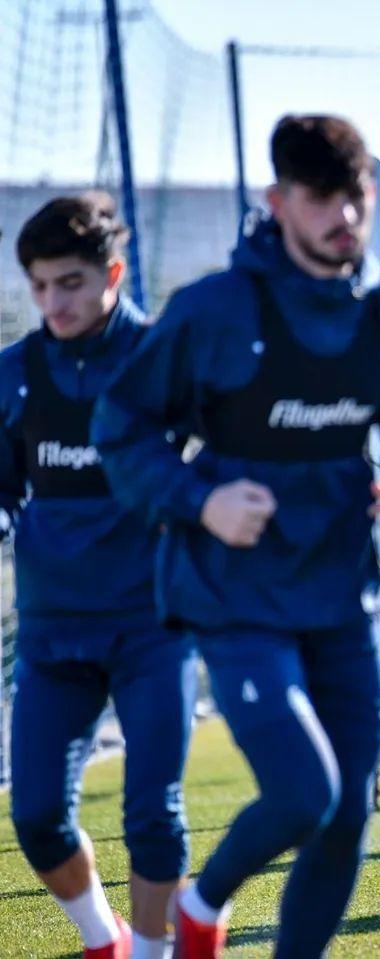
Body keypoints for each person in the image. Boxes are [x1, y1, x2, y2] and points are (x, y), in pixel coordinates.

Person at [92, 115, 380, 959]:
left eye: (355, 196)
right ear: (279, 201)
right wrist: (201, 500)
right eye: (321, 198)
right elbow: (122, 428)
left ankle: (227, 920)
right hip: (232, 593)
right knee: (304, 791)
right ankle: (202, 902)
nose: (345, 216)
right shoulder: (215, 311)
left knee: (346, 813)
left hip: (339, 595)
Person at [3, 194, 197, 959]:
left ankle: (152, 953)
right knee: (36, 817)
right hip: (53, 631)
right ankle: (102, 937)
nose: (54, 302)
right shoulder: (14, 375)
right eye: (40, 286)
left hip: (155, 624)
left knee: (153, 812)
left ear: (113, 274)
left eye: (71, 283)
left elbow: (227, 456)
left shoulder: (165, 359)